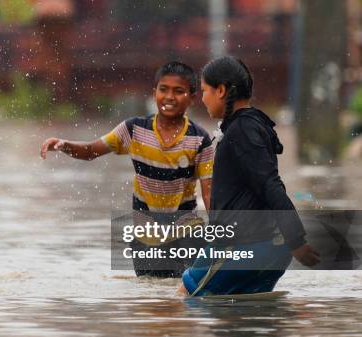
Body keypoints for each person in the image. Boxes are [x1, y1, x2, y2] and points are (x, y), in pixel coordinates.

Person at [41, 62, 214, 277]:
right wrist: (65, 145)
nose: (169, 97)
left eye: (178, 91)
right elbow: (91, 150)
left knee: (180, 293)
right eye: (163, 89)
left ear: (191, 98)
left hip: (186, 231)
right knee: (150, 292)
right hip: (145, 232)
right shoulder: (133, 129)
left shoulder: (200, 139)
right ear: (154, 93)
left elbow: (208, 191)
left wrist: (220, 230)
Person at [180, 56, 319, 296]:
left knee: (184, 301)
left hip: (246, 245)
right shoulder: (252, 123)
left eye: (204, 91)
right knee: (244, 319)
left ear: (221, 90)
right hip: (265, 246)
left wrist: (296, 239)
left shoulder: (242, 130)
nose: (201, 98)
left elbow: (270, 185)